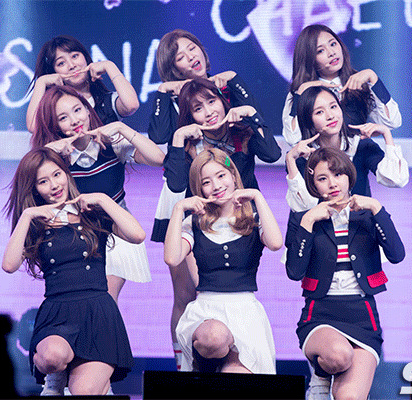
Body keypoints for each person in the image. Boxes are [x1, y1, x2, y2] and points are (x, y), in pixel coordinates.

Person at [153, 76, 281, 370]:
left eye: (212, 102)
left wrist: (250, 111)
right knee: (198, 306)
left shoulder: (243, 132)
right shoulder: (189, 145)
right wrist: (178, 139)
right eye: (198, 108)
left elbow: (272, 154)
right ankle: (189, 362)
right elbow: (176, 185)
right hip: (204, 225)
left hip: (242, 223)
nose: (209, 111)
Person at [2, 148, 143, 395]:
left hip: (98, 314)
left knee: (84, 392)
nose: (54, 185)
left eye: (57, 175)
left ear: (67, 173)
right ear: (34, 189)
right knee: (51, 357)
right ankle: (54, 379)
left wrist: (103, 200)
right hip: (58, 313)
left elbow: (137, 235)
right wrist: (27, 215)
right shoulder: (35, 223)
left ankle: (98, 385)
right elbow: (9, 265)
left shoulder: (92, 214)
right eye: (43, 181)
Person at [285, 147, 405, 400]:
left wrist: (376, 207)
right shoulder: (304, 217)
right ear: (313, 185)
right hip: (320, 314)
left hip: (363, 317)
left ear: (349, 176)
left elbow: (396, 254)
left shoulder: (368, 214)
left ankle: (328, 378)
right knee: (338, 356)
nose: (332, 183)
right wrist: (308, 221)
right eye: (322, 178)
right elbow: (294, 271)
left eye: (338, 174)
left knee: (350, 397)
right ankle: (321, 372)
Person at [32, 85, 164, 303]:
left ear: (87, 109)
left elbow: (158, 159)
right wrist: (52, 150)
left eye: (77, 110)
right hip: (77, 236)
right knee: (83, 301)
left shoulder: (111, 143)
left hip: (116, 229)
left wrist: (121, 128)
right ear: (55, 125)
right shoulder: (55, 157)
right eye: (63, 118)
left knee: (104, 297)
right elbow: (31, 182)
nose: (74, 120)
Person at [164, 148, 282, 374]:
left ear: (233, 176)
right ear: (199, 188)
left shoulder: (253, 221)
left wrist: (257, 197)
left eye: (221, 176)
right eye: (206, 182)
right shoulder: (194, 224)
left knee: (236, 378)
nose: (216, 186)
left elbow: (276, 243)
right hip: (207, 311)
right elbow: (172, 257)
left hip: (245, 311)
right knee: (214, 337)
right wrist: (179, 208)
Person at [285, 85, 408, 213]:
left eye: (333, 107)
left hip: (359, 222)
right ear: (308, 120)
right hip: (320, 225)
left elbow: (396, 180)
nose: (330, 116)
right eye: (319, 112)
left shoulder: (360, 145)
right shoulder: (302, 156)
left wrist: (386, 133)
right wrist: (290, 159)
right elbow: (303, 207)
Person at [283, 24, 401, 147]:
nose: (331, 53)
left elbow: (392, 122)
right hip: (322, 157)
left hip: (360, 156)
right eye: (320, 51)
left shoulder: (360, 82)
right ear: (310, 59)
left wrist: (373, 79)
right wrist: (300, 93)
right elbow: (292, 139)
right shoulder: (301, 92)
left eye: (333, 44)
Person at [148, 28, 256, 146]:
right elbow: (159, 137)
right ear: (175, 71)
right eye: (180, 58)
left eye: (192, 48)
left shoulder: (226, 87)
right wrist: (162, 89)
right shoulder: (174, 103)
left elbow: (256, 122)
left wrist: (234, 78)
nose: (191, 57)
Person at [26, 34, 139, 134]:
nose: (71, 65)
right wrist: (41, 82)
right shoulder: (55, 109)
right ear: (54, 72)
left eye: (75, 56)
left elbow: (131, 105)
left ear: (85, 57)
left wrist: (109, 66)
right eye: (61, 63)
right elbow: (33, 126)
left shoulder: (107, 102)